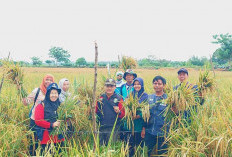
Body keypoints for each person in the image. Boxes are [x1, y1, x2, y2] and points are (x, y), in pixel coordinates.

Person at [23, 74, 54, 156]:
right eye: (47, 79)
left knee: (44, 143)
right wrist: (21, 91)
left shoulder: (53, 91)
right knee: (33, 142)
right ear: (43, 80)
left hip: (47, 122)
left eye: (51, 80)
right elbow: (26, 102)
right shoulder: (37, 90)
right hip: (35, 120)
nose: (49, 81)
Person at [141, 76, 169, 156]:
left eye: (159, 84)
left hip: (163, 132)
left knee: (162, 153)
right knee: (147, 152)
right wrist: (143, 129)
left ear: (164, 85)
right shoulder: (149, 98)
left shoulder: (168, 98)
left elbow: (174, 114)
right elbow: (145, 115)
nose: (157, 85)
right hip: (150, 131)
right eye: (155, 83)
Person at [34, 83, 64, 154]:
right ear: (48, 94)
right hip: (46, 138)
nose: (54, 95)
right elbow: (38, 121)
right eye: (52, 93)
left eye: (56, 93)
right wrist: (52, 125)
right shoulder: (41, 105)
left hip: (59, 138)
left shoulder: (61, 105)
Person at [95, 78, 125, 145]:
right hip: (101, 127)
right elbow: (95, 111)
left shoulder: (119, 98)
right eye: (107, 86)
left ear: (115, 87)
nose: (109, 88)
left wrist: (118, 111)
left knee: (111, 147)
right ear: (104, 87)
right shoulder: (100, 98)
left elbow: (123, 114)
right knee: (100, 147)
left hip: (113, 128)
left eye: (111, 86)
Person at [124, 77, 148, 157]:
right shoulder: (130, 94)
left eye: (138, 84)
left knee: (139, 146)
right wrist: (129, 113)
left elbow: (147, 111)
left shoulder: (145, 96)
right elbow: (125, 106)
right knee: (130, 146)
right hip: (130, 125)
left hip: (139, 126)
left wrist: (138, 115)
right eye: (135, 84)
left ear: (142, 85)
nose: (136, 86)